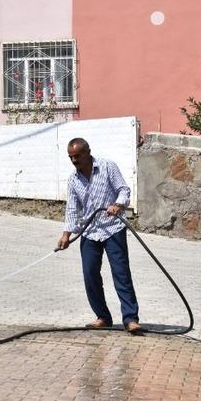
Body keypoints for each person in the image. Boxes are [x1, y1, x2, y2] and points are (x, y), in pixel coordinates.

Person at [56, 137, 143, 334]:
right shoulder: (73, 180)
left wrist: (118, 205)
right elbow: (72, 208)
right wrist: (66, 234)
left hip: (112, 228)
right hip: (89, 232)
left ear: (88, 152)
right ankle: (103, 316)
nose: (74, 160)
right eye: (71, 157)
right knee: (90, 274)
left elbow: (123, 189)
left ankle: (130, 319)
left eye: (77, 156)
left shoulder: (107, 167)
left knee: (121, 274)